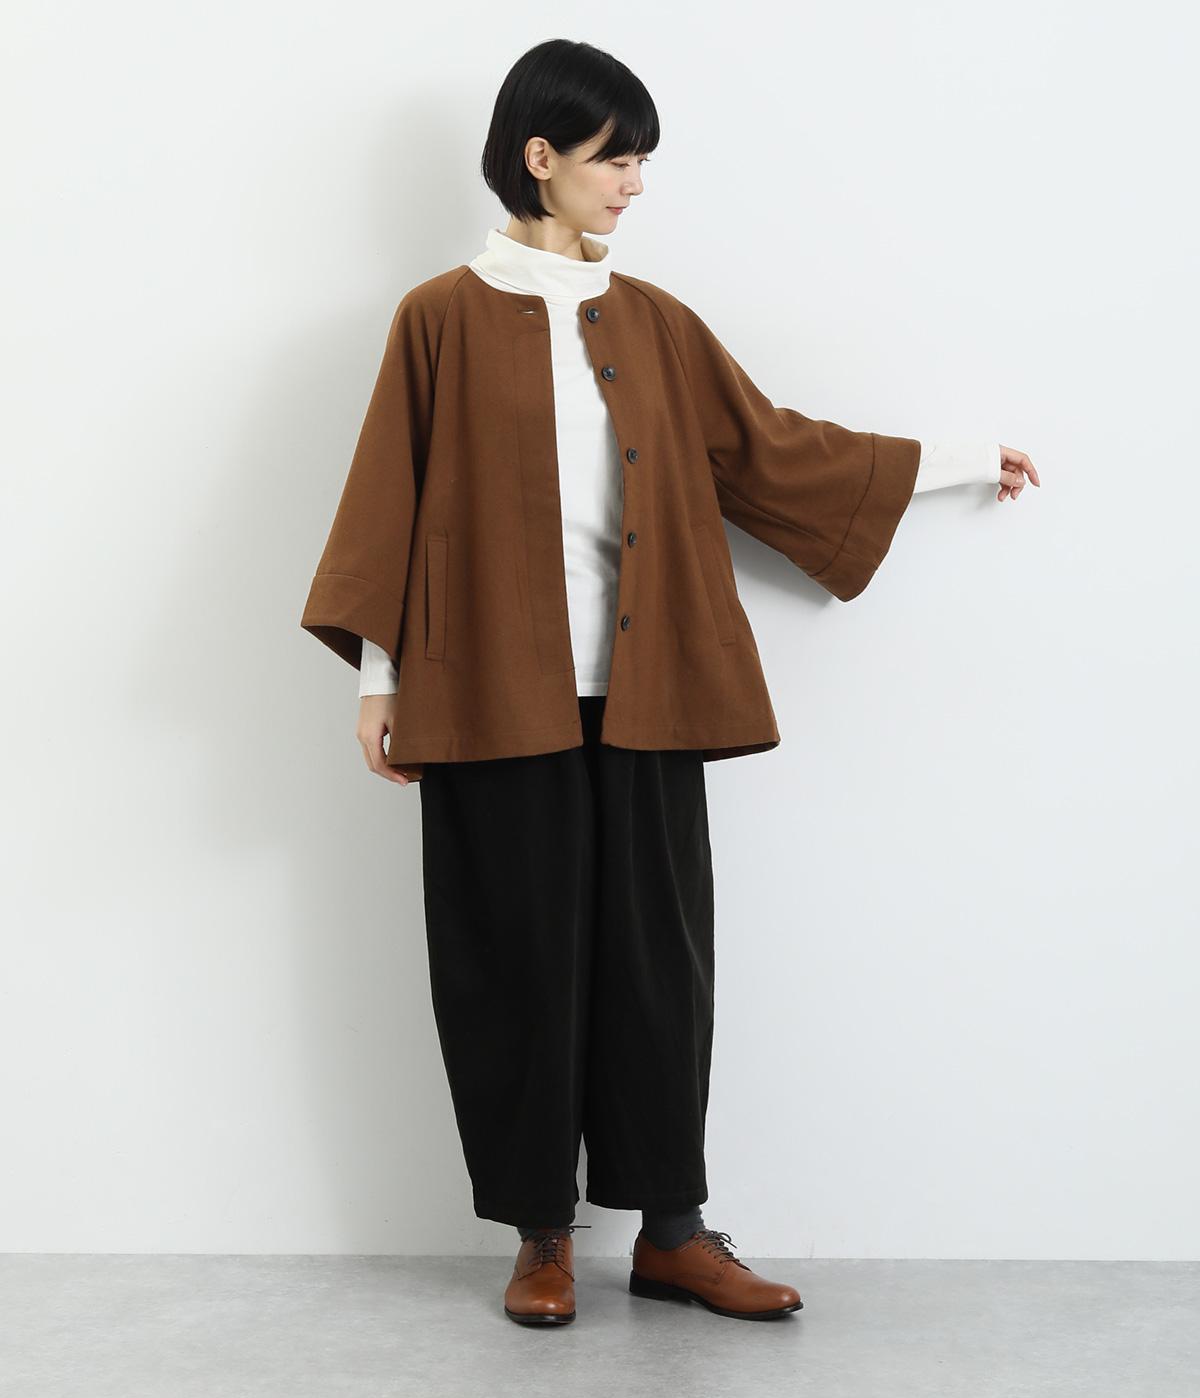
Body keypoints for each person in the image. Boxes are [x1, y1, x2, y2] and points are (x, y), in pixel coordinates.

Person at [301, 39, 1039, 1328]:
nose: (635, 183)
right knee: (516, 962)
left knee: (659, 966)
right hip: (488, 694)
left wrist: (959, 459)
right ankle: (541, 1234)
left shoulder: (651, 321)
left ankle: (673, 1234)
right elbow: (388, 504)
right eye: (616, 158)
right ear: (541, 156)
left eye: (642, 160)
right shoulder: (438, 317)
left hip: (644, 691)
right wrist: (380, 681)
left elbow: (771, 452)